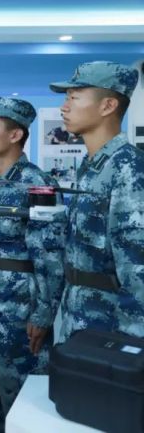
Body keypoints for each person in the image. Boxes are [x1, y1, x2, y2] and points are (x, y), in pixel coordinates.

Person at [0, 97, 65, 433]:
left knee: (23, 399)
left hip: (20, 313)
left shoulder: (36, 185)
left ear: (15, 135)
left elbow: (51, 257)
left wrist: (43, 315)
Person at [50, 61, 144, 339]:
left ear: (108, 106)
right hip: (81, 319)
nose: (64, 107)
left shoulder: (129, 168)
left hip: (112, 330)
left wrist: (130, 348)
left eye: (74, 98)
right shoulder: (92, 166)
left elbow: (137, 268)